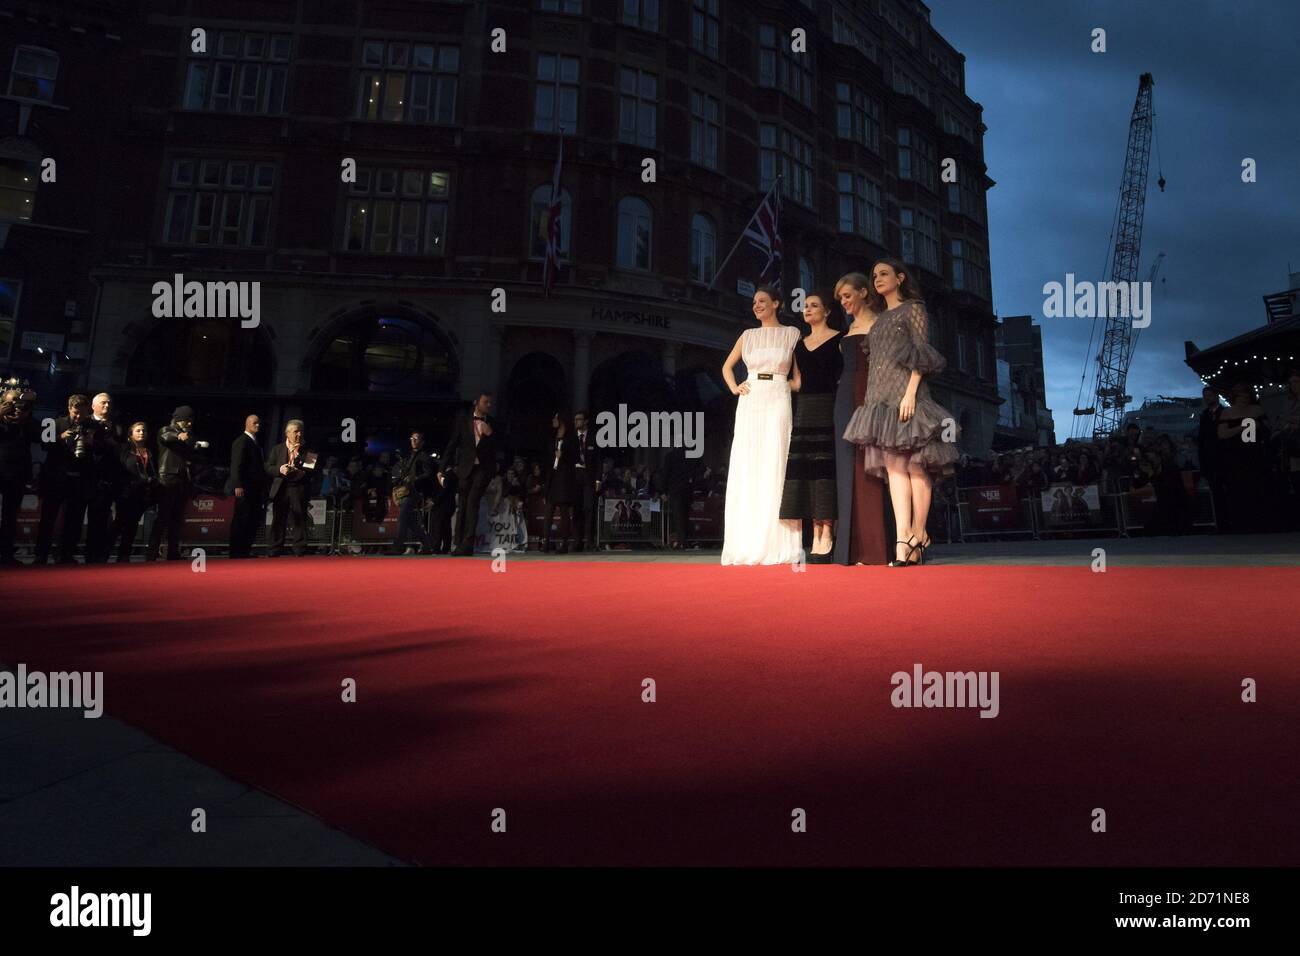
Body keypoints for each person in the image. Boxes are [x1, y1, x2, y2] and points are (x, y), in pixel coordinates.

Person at [843, 259, 959, 566]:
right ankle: (902, 538)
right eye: (874, 275)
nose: (877, 279)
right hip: (880, 399)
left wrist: (910, 393)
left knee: (917, 467)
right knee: (894, 469)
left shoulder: (913, 309)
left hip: (909, 396)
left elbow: (922, 354)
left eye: (883, 274)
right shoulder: (880, 320)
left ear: (900, 277)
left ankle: (918, 533)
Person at [720, 285, 802, 565]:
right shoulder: (748, 336)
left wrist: (781, 385)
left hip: (778, 397)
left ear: (777, 303)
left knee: (776, 461)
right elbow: (726, 366)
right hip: (751, 398)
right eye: (755, 302)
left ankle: (780, 543)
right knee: (749, 463)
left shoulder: (792, 334)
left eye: (762, 301)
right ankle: (747, 541)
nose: (756, 306)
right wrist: (734, 387)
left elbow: (798, 380)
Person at [779, 291, 843, 562]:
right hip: (804, 410)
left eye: (814, 306)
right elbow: (798, 383)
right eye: (805, 306)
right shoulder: (799, 344)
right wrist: (767, 384)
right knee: (806, 470)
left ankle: (827, 528)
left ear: (827, 311)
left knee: (825, 469)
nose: (807, 310)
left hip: (830, 407)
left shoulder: (840, 339)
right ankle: (814, 532)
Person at [831, 272, 888, 566]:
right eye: (840, 298)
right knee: (847, 464)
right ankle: (849, 551)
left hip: (873, 393)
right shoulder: (849, 328)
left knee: (873, 463)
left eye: (847, 296)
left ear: (864, 292)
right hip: (845, 397)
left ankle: (876, 547)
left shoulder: (882, 322)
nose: (843, 302)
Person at [35, 394, 109, 565]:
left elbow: (103, 450)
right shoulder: (53, 423)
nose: (78, 417)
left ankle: (66, 554)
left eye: (82, 413)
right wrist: (61, 437)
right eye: (76, 413)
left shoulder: (95, 427)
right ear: (69, 409)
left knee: (74, 520)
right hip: (55, 479)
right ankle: (41, 555)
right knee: (48, 518)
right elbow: (43, 444)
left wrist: (92, 442)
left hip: (80, 480)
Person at [440, 391, 497, 556]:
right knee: (463, 505)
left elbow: (498, 446)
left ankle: (468, 543)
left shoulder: (492, 422)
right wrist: (441, 468)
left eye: (489, 402)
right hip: (466, 468)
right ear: (476, 403)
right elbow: (453, 444)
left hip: (483, 469)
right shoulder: (463, 420)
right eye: (485, 402)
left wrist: (490, 434)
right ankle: (459, 543)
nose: (488, 405)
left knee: (473, 501)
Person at [148, 405, 207, 561]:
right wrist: (179, 435)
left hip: (182, 480)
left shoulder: (188, 434)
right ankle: (152, 553)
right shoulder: (166, 430)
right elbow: (166, 436)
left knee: (177, 518)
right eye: (188, 420)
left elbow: (190, 453)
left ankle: (173, 552)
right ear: (180, 419)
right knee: (162, 517)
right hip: (167, 479)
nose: (190, 424)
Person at [1216, 383, 1270, 533]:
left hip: (1255, 453)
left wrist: (1257, 426)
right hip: (1234, 456)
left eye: (1246, 396)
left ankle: (1260, 521)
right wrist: (1243, 427)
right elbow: (1222, 434)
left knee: (1257, 486)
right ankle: (1242, 523)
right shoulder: (1227, 412)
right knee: (1238, 489)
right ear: (1235, 397)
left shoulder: (1257, 410)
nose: (1244, 399)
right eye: (1241, 396)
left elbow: (1267, 428)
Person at [0, 379, 39, 567]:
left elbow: (44, 438)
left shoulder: (27, 422)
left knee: (10, 516)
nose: (15, 405)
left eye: (19, 401)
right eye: (11, 401)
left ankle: (6, 554)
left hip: (17, 474)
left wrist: (27, 417)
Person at [110, 421, 159, 562]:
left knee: (132, 525)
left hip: (142, 494)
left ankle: (124, 555)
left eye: (144, 430)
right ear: (130, 434)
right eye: (138, 430)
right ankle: (103, 552)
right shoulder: (124, 449)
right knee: (119, 523)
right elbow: (120, 470)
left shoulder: (149, 451)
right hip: (126, 492)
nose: (142, 433)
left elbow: (152, 470)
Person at [265, 419, 313, 556]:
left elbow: (311, 470)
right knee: (278, 519)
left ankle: (300, 549)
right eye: (295, 431)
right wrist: (280, 469)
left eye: (300, 431)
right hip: (281, 488)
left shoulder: (309, 450)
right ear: (287, 433)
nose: (298, 434)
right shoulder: (277, 449)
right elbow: (268, 467)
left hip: (299, 488)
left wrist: (298, 470)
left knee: (299, 518)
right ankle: (274, 549)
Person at [84, 392, 122, 563]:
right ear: (94, 406)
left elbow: (118, 452)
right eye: (103, 403)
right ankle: (67, 554)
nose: (107, 406)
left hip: (106, 480)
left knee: (101, 520)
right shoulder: (85, 423)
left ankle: (97, 555)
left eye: (109, 403)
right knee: (75, 518)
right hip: (83, 477)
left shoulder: (116, 427)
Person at [226, 414, 265, 558]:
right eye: (255, 423)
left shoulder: (255, 442)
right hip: (245, 488)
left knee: (252, 519)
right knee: (242, 518)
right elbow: (236, 465)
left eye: (259, 423)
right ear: (247, 424)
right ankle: (236, 551)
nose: (258, 425)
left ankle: (244, 550)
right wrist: (238, 485)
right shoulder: (242, 441)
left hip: (254, 489)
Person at [391, 430, 435, 555]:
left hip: (414, 492)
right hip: (408, 491)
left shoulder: (424, 456)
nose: (413, 441)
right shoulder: (410, 456)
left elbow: (429, 474)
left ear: (422, 442)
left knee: (402, 518)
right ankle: (427, 546)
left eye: (416, 439)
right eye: (412, 439)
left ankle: (398, 547)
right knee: (412, 523)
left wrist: (415, 478)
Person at [544, 412, 579, 553]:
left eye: (556, 418)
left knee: (564, 512)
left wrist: (563, 456)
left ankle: (564, 543)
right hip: (552, 477)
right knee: (549, 511)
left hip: (564, 479)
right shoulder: (551, 436)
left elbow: (575, 457)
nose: (553, 420)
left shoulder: (571, 438)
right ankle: (545, 542)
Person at [571, 410, 600, 552]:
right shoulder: (571, 438)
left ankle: (590, 541)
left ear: (586, 421)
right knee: (577, 509)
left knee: (589, 509)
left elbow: (598, 461)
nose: (577, 422)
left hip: (589, 477)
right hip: (575, 477)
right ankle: (577, 541)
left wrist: (598, 479)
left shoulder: (593, 438)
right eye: (575, 419)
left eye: (580, 419)